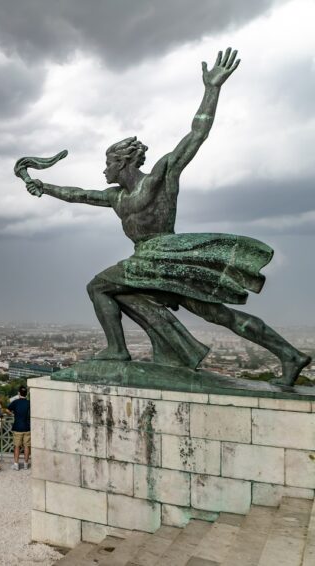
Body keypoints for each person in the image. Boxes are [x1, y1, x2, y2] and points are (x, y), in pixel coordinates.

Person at [23, 47, 311, 385]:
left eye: (109, 163)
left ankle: (117, 350)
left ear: (124, 163)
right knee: (217, 314)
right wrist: (43, 185)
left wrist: (211, 89)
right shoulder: (116, 197)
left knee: (98, 286)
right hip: (150, 261)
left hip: (164, 254)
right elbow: (79, 194)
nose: (104, 169)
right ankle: (290, 354)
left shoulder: (160, 176)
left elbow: (196, 135)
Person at [7, 386, 30, 470]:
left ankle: (16, 464)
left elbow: (7, 410)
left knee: (17, 446)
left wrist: (13, 414)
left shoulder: (15, 402)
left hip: (17, 427)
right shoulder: (29, 403)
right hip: (27, 427)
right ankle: (26, 464)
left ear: (19, 393)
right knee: (27, 446)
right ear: (26, 394)